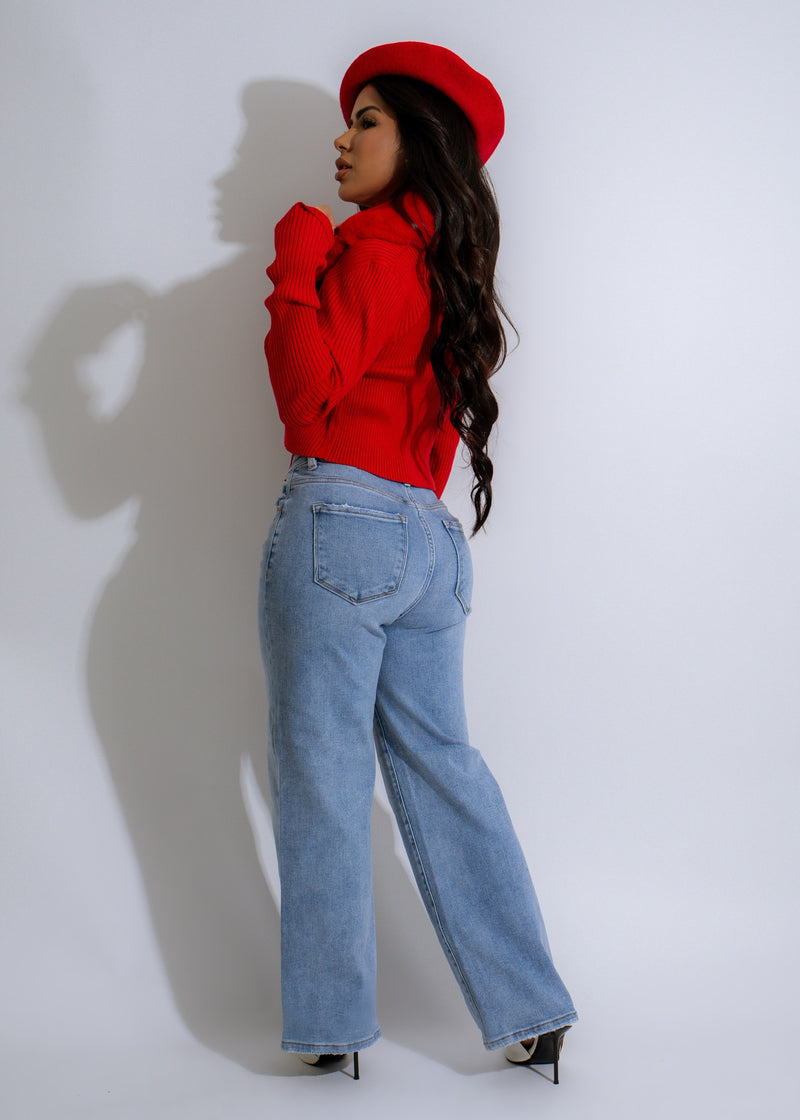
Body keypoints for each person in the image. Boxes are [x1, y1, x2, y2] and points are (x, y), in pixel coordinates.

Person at [259, 41, 577, 1081]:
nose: (342, 141)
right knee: (445, 768)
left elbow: (308, 401)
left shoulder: (362, 250)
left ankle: (332, 1028)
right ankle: (530, 1005)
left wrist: (293, 261)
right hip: (428, 545)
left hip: (342, 526)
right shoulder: (451, 269)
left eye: (366, 121)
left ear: (419, 140)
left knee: (323, 775)